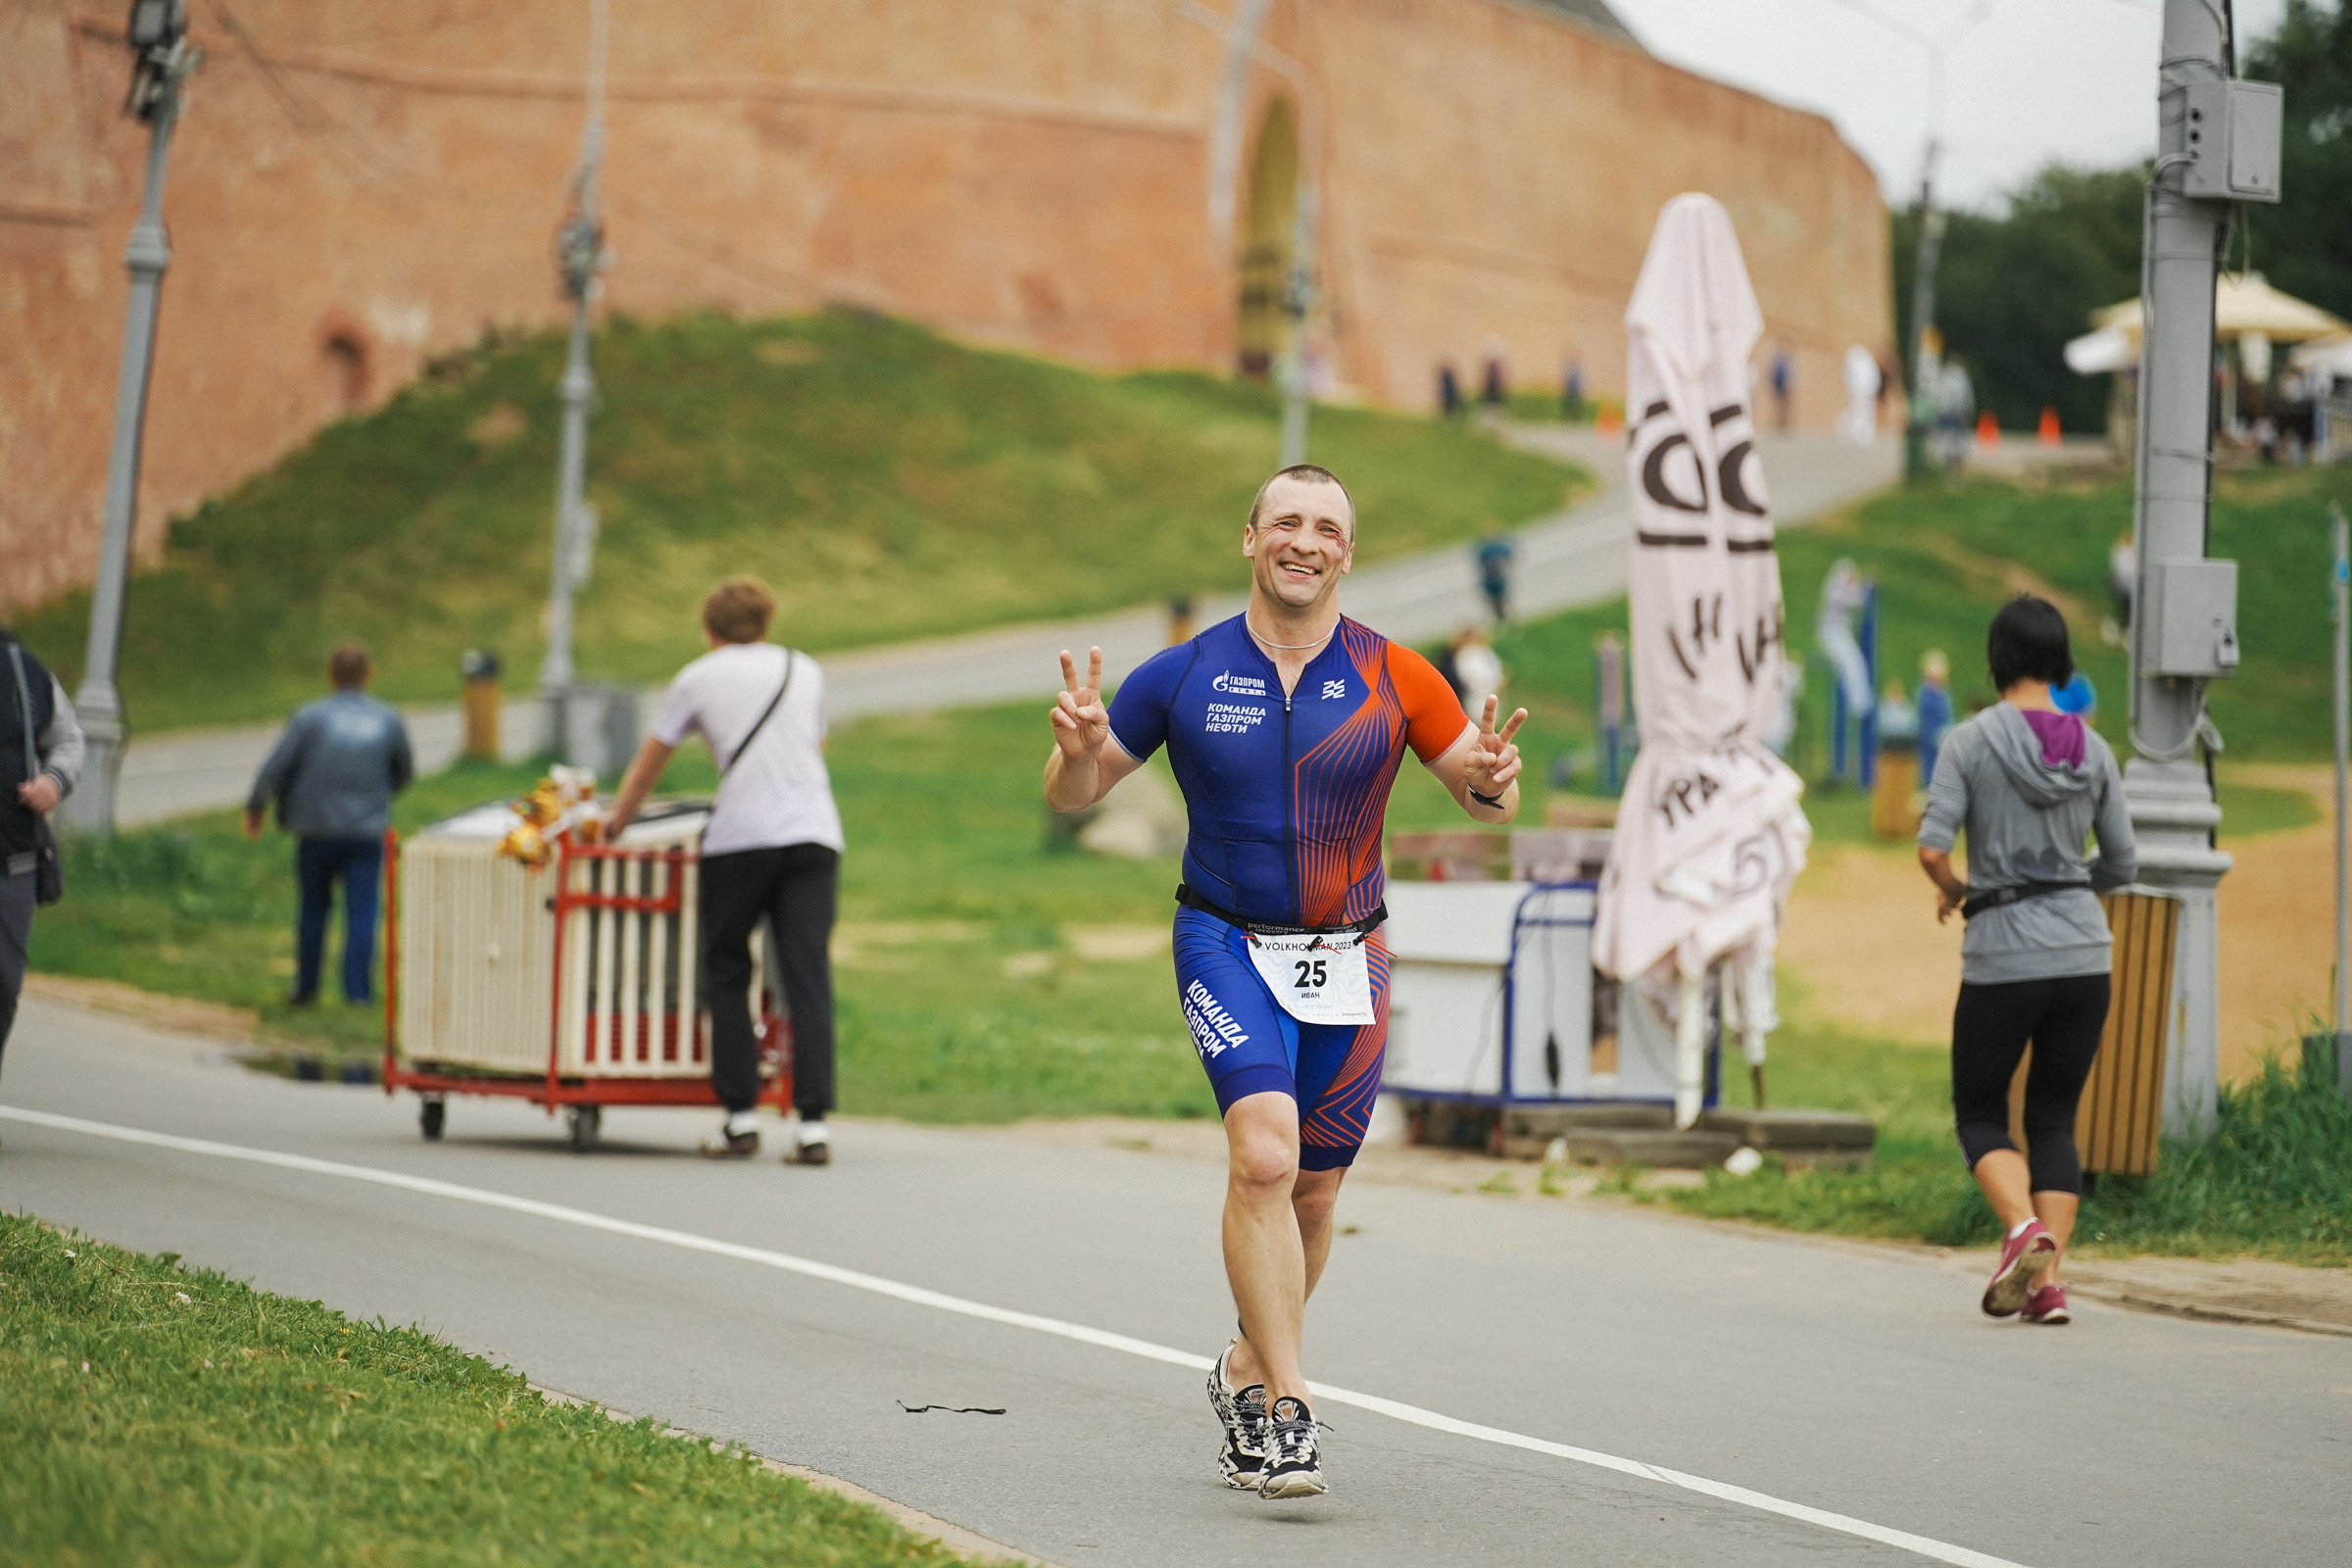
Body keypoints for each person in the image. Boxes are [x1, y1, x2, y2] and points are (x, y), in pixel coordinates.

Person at [1045, 464, 1525, 1499]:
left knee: (1313, 1190)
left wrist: (1493, 782)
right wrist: (1078, 754)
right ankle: (1288, 1409)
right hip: (1221, 938)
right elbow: (1080, 789)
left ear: (1347, 553)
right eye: (1287, 523)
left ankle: (1243, 1367)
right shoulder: (1180, 673)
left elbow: (1477, 787)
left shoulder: (1400, 674)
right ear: (1250, 538)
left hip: (1350, 955)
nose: (1305, 542)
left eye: (1327, 528)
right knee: (1264, 1155)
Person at [1916, 596, 2135, 1327]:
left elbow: (1931, 848)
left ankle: (2022, 1233)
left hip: (2004, 952)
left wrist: (1956, 892)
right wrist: (2074, 889)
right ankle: (2048, 1284)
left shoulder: (1970, 743)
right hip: (2084, 958)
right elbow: (2124, 862)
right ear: (2061, 659)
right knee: (2053, 1119)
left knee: (1980, 1112)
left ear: (1997, 658)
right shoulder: (2095, 749)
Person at [605, 578, 843, 1166]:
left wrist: (616, 823)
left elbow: (648, 763)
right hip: (815, 833)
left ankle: (740, 1117)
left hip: (742, 838)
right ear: (766, 622)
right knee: (806, 974)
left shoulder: (697, 677)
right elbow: (811, 745)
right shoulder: (803, 669)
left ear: (709, 631)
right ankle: (813, 1124)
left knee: (728, 968)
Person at [246, 644, 413, 1006]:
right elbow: (403, 772)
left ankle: (307, 987)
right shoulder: (388, 718)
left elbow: (276, 767)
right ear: (369, 674)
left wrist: (257, 807)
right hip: (366, 832)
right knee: (363, 912)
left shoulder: (309, 718)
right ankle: (357, 993)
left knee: (313, 908)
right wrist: (376, 796)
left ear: (330, 675)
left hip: (317, 830)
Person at [1, 628, 83, 1082]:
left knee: (3, 986)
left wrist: (53, 781)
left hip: (11, 862)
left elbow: (69, 739)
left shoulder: (23, 672)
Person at [1916, 649, 1952, 791]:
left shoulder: (1943, 692)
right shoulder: (1925, 692)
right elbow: (1926, 713)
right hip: (1929, 734)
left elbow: (1946, 714)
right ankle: (1928, 785)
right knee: (1929, 763)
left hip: (1941, 733)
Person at [1475, 532, 1515, 624]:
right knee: (1495, 599)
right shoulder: (1486, 550)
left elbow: (1509, 557)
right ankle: (1500, 618)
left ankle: (1505, 618)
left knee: (1502, 598)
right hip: (1491, 578)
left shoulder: (1498, 548)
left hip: (1496, 577)